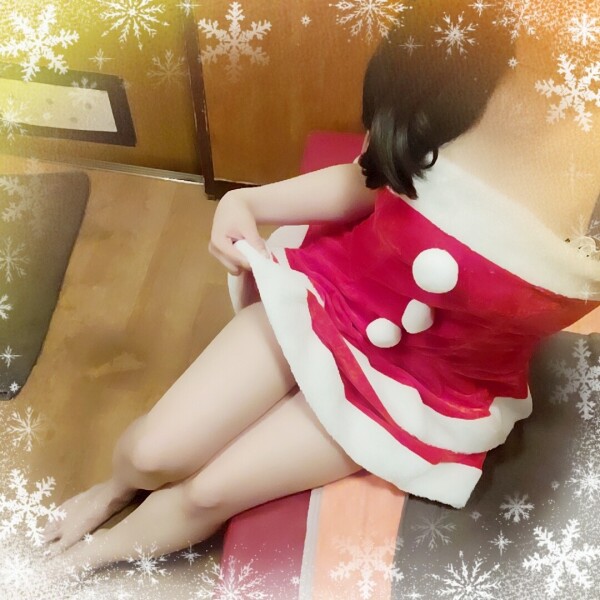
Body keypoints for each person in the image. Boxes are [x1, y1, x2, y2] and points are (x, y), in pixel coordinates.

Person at [42, 1, 600, 576]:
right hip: (335, 291)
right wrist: (247, 201)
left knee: (208, 492)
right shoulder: (461, 52)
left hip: (428, 384)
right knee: (150, 454)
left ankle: (89, 557)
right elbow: (370, 175)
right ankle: (112, 490)